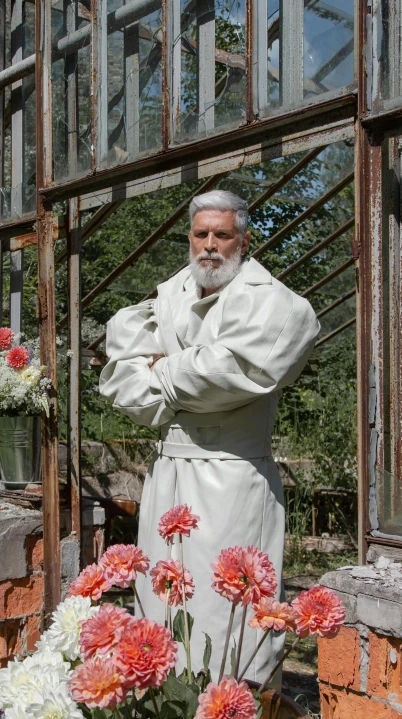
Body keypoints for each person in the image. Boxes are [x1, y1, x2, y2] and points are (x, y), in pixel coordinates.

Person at [99, 190, 320, 683]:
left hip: (231, 477)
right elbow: (124, 382)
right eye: (201, 234)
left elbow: (236, 371)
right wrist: (186, 375)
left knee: (226, 611)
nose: (210, 246)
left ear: (243, 239)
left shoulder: (270, 301)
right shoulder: (169, 293)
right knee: (162, 603)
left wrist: (164, 368)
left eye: (222, 234)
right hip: (168, 477)